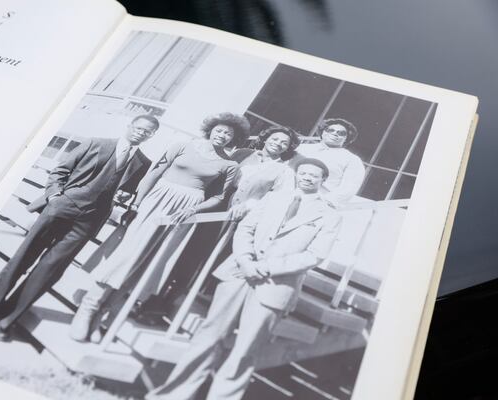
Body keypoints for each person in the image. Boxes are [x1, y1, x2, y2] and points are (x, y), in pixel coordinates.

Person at [146, 158, 340, 400]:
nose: (307, 178)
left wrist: (266, 268)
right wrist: (247, 262)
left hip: (276, 285)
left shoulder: (329, 214)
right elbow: (246, 229)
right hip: (238, 273)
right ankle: (173, 395)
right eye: (303, 173)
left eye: (314, 175)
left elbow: (315, 255)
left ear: (323, 180)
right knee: (208, 337)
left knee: (246, 349)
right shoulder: (274, 197)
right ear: (296, 174)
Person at [0, 114, 160, 341]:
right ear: (129, 126)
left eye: (147, 132)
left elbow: (125, 190)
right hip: (61, 208)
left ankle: (7, 320)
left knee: (49, 271)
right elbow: (60, 170)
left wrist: (124, 195)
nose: (141, 133)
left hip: (89, 221)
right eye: (139, 128)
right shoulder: (96, 143)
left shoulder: (143, 163)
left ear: (152, 136)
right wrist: (55, 197)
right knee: (22, 260)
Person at [69, 112, 250, 343]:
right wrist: (137, 203)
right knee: (126, 257)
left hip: (183, 215)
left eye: (229, 134)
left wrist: (194, 210)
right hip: (155, 204)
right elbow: (154, 173)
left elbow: (218, 197)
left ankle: (103, 317)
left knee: (149, 264)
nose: (223, 136)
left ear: (234, 139)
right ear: (211, 129)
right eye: (220, 130)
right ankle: (88, 309)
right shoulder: (182, 146)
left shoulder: (229, 164)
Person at [135, 126, 301, 325]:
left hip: (237, 220)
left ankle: (164, 306)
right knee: (181, 253)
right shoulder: (242, 154)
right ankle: (146, 298)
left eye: (284, 142)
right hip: (211, 208)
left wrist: (251, 205)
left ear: (288, 148)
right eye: (275, 138)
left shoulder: (284, 171)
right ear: (265, 138)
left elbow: (278, 201)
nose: (278, 143)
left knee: (201, 263)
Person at [296, 118, 365, 206]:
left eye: (341, 133)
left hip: (319, 202)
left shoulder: (352, 160)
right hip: (289, 194)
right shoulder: (302, 148)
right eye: (330, 130)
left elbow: (349, 187)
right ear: (323, 132)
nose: (335, 133)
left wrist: (324, 202)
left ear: (346, 138)